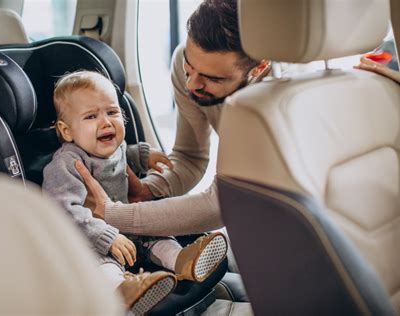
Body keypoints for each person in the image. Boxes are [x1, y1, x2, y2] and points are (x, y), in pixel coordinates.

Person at [75, 0, 270, 236]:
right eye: (189, 68)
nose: (191, 84)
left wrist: (112, 214)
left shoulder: (271, 103)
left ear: (259, 68)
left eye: (213, 79)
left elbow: (223, 204)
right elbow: (191, 157)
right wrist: (147, 190)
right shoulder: (186, 63)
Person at [42, 71, 229, 314]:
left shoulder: (110, 146)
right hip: (93, 240)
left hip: (128, 229)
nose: (106, 122)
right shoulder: (66, 164)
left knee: (160, 238)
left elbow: (123, 155)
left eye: (112, 112)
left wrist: (143, 155)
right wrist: (106, 236)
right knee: (102, 265)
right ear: (67, 131)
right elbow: (62, 212)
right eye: (91, 116)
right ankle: (126, 290)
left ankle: (183, 261)